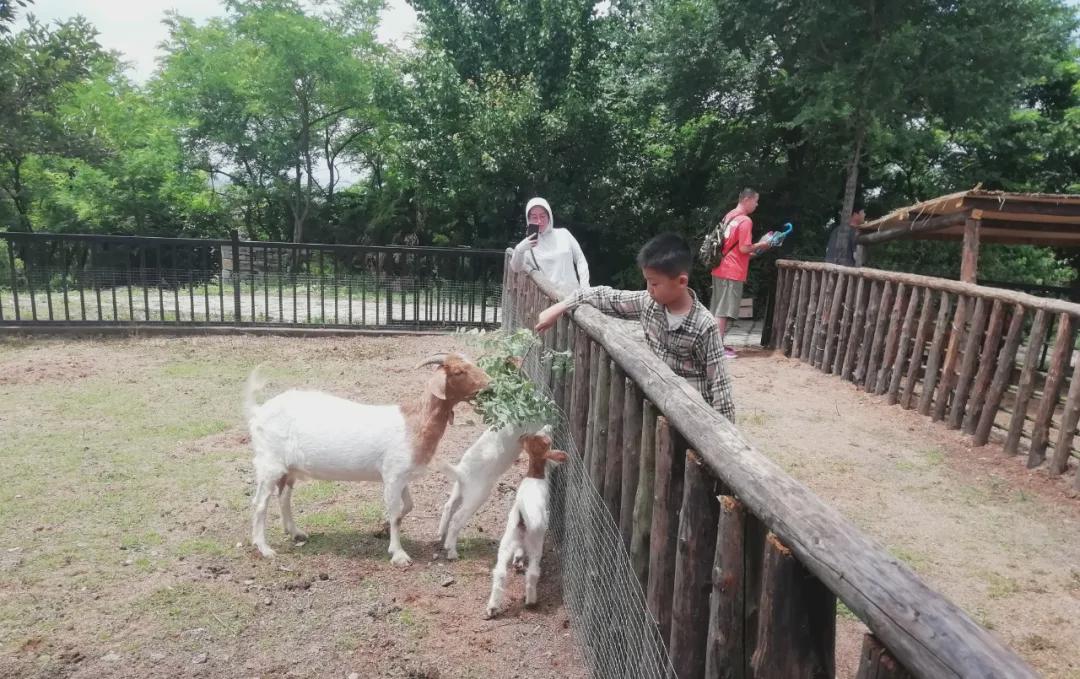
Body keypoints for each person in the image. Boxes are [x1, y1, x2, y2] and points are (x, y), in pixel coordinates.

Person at [535, 233, 734, 421]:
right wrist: (559, 308)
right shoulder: (648, 303)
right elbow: (603, 296)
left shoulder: (704, 326)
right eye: (647, 281)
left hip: (695, 417)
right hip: (658, 411)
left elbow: (720, 388)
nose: (649, 289)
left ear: (681, 281)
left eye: (654, 283)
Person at [710, 188, 772, 358]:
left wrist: (755, 250)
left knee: (717, 308)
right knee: (722, 311)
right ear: (747, 199)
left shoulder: (729, 215)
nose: (757, 204)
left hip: (720, 266)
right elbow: (744, 248)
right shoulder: (745, 220)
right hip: (731, 271)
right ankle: (716, 349)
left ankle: (716, 345)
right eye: (756, 201)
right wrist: (762, 244)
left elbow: (734, 247)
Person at [509, 197, 590, 290]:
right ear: (528, 220)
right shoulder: (527, 245)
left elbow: (580, 259)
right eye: (534, 217)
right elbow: (516, 267)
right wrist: (519, 249)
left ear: (549, 216)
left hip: (573, 295)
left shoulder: (564, 234)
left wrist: (585, 286)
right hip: (549, 299)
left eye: (543, 216)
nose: (539, 221)